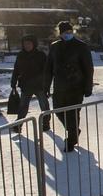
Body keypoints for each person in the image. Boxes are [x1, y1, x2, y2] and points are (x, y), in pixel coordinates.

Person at [43, 20, 94, 150]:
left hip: (76, 86)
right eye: (65, 32)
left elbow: (88, 68)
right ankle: (74, 131)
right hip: (59, 86)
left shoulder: (81, 46)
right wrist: (46, 86)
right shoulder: (54, 47)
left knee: (72, 113)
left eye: (69, 31)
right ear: (60, 33)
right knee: (58, 111)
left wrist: (88, 86)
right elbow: (49, 68)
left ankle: (71, 139)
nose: (67, 34)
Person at [9, 34, 50, 134]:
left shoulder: (41, 55)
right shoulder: (20, 55)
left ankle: (46, 123)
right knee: (23, 106)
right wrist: (13, 82)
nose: (27, 45)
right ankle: (18, 125)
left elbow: (46, 71)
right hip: (26, 85)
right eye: (25, 44)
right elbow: (16, 70)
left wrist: (46, 85)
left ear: (33, 44)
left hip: (39, 86)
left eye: (29, 43)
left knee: (44, 106)